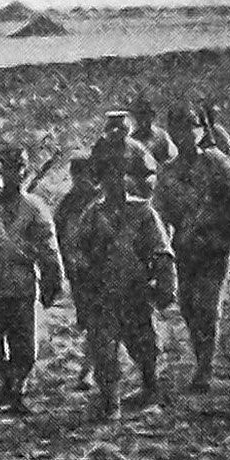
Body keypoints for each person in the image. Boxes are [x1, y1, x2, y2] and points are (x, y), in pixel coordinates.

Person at [155, 108, 230, 393]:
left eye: (191, 128)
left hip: (214, 247)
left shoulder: (217, 163)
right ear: (172, 134)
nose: (185, 135)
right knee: (188, 307)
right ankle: (201, 356)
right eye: (179, 130)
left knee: (208, 308)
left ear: (200, 131)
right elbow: (158, 215)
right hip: (185, 249)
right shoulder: (167, 173)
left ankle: (204, 368)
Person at [69, 143, 174, 420]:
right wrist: (84, 275)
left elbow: (162, 249)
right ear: (100, 180)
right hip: (103, 292)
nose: (113, 182)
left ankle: (150, 386)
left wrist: (165, 284)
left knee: (143, 344)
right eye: (106, 176)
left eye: (118, 174)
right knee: (104, 349)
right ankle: (110, 400)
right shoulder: (92, 214)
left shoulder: (143, 212)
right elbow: (77, 250)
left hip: (136, 291)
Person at [0, 146, 64, 415]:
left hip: (21, 286)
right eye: (8, 169)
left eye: (18, 169)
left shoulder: (35, 208)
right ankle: (8, 378)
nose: (13, 175)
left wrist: (52, 280)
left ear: (25, 171)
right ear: (1, 171)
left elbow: (49, 247)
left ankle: (17, 390)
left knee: (24, 347)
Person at [52, 155, 101, 389]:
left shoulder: (100, 200)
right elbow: (57, 234)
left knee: (98, 319)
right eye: (75, 176)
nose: (79, 181)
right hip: (78, 272)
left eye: (83, 175)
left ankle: (88, 369)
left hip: (100, 270)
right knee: (89, 319)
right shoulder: (68, 202)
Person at [130, 97, 177, 170]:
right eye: (137, 114)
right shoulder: (131, 139)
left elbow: (174, 153)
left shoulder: (161, 133)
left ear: (152, 115)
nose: (141, 118)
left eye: (144, 113)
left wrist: (166, 165)